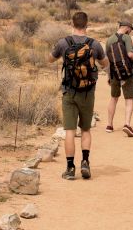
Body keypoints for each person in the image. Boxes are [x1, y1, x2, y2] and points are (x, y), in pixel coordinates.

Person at [49, 11, 109, 180]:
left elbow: (50, 59)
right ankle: (85, 162)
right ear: (87, 24)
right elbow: (105, 64)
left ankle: (69, 168)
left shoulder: (64, 42)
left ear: (72, 24)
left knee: (69, 130)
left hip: (69, 91)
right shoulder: (94, 44)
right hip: (88, 92)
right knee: (85, 129)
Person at [106, 21, 133, 137]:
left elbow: (107, 60)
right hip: (127, 73)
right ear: (126, 28)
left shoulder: (109, 39)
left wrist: (108, 75)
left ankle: (109, 125)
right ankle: (127, 124)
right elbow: (130, 55)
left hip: (114, 73)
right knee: (128, 99)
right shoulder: (126, 37)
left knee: (113, 98)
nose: (130, 31)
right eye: (130, 29)